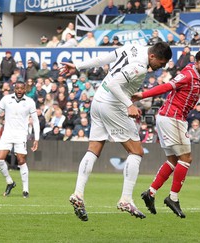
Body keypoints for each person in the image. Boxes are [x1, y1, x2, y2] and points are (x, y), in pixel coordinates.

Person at [60, 42, 172, 221]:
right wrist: (128, 104)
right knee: (136, 151)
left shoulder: (134, 47)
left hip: (98, 100)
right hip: (111, 104)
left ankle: (78, 194)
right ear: (152, 56)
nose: (162, 67)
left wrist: (78, 66)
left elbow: (105, 58)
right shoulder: (140, 67)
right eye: (162, 62)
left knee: (94, 149)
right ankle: (126, 199)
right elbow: (113, 84)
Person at [132, 49, 200, 218]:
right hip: (173, 117)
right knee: (186, 158)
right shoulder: (189, 75)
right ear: (197, 63)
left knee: (173, 160)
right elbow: (168, 86)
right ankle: (173, 197)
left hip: (169, 117)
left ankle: (151, 192)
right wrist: (142, 95)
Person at [0, 81, 40, 198]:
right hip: (7, 134)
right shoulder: (6, 99)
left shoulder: (30, 102)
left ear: (25, 90)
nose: (19, 90)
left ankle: (25, 189)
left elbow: (35, 120)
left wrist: (37, 138)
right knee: (0, 159)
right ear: (14, 89)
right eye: (17, 88)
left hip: (21, 135)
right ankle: (10, 182)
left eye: (21, 88)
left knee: (21, 160)